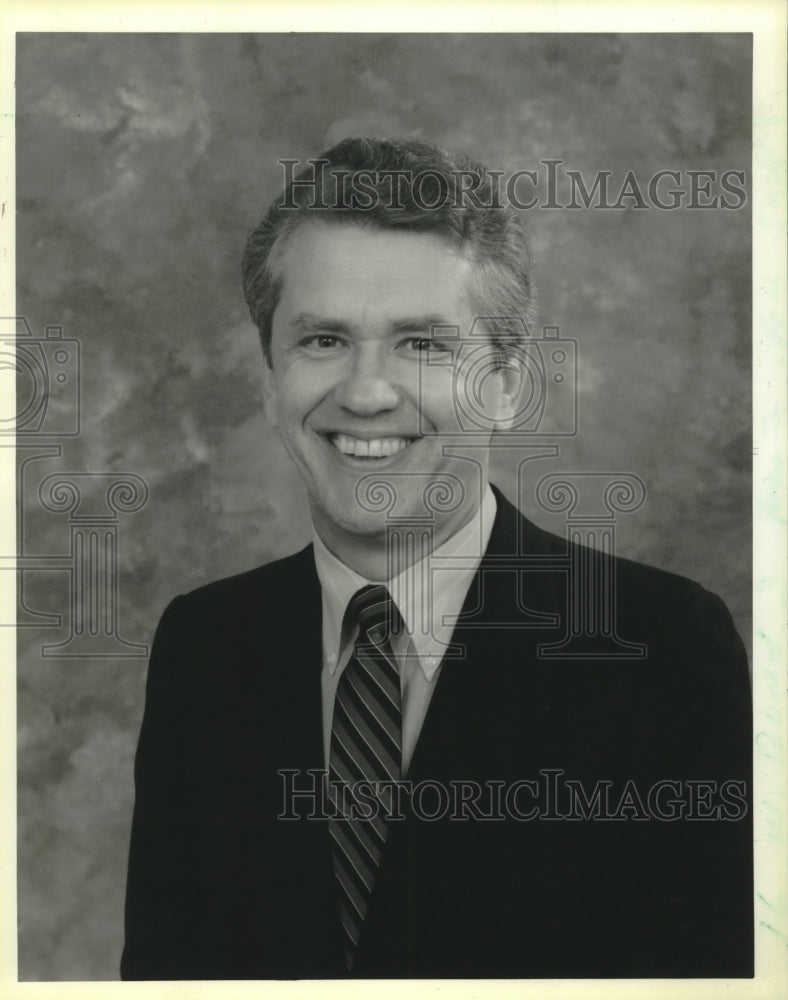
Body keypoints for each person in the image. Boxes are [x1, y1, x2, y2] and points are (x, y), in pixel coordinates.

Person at [121, 137, 752, 980]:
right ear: (269, 379)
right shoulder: (204, 644)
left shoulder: (658, 649)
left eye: (422, 343)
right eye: (322, 341)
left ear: (506, 381)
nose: (367, 392)